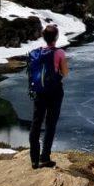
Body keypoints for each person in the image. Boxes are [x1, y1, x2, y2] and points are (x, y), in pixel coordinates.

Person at [28, 23, 69, 170]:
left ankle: (34, 160)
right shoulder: (59, 53)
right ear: (56, 37)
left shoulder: (35, 52)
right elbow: (65, 73)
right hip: (54, 92)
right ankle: (45, 157)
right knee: (50, 123)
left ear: (43, 37)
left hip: (39, 91)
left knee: (36, 123)